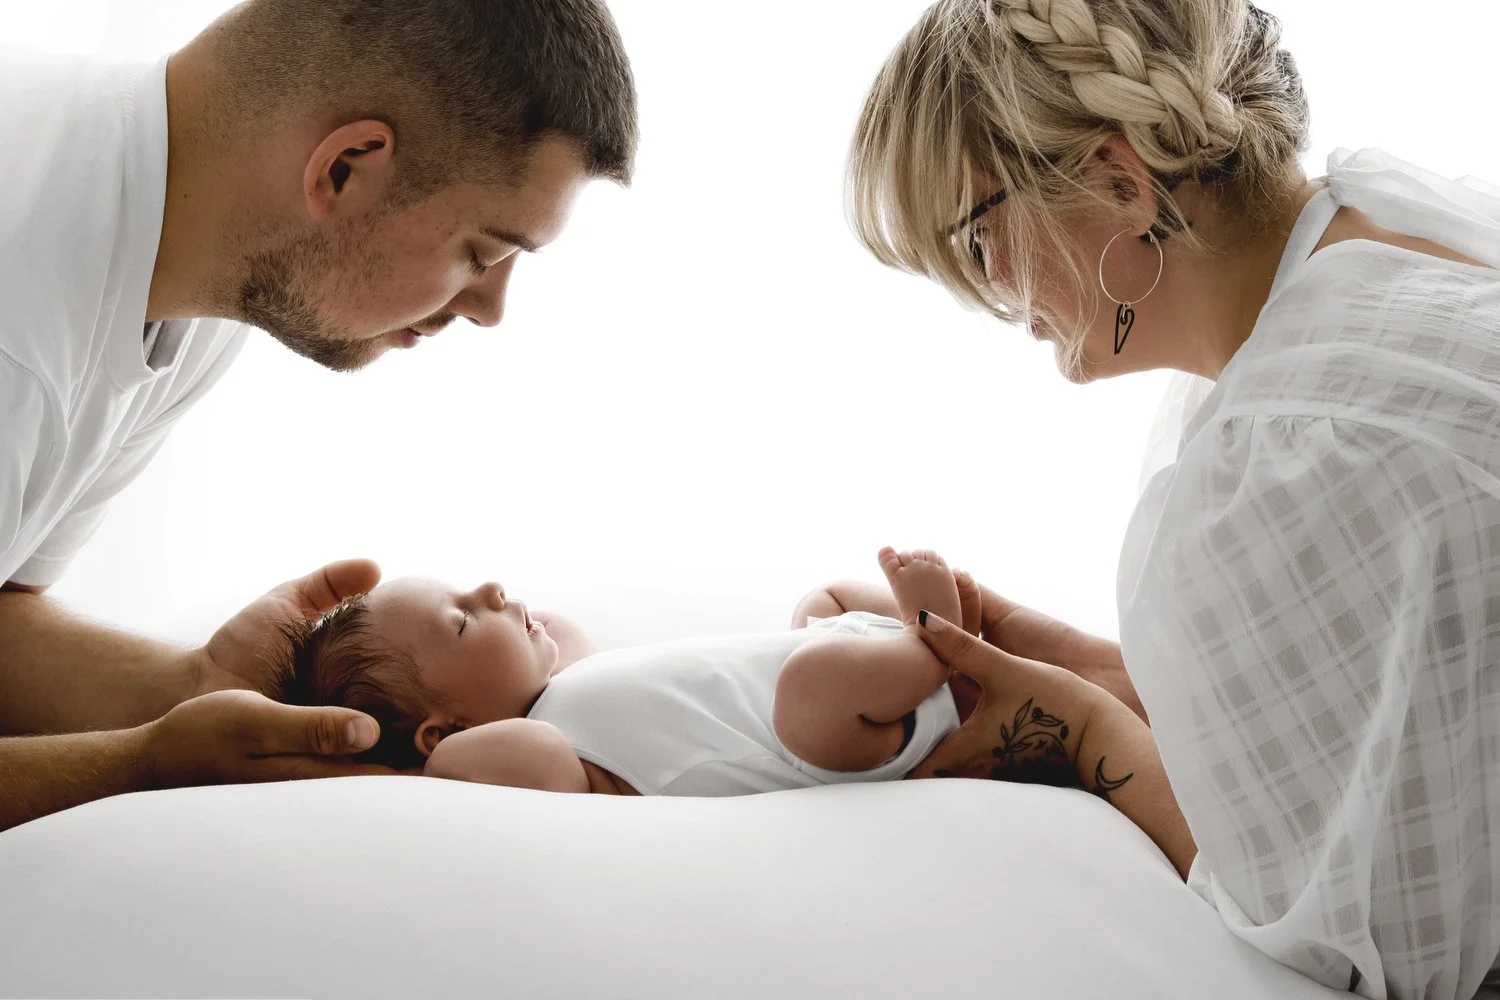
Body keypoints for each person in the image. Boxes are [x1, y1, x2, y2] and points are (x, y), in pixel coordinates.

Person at [846, 1, 1500, 997]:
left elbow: (1358, 942)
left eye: (977, 242)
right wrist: (1106, 668)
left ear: (1118, 180)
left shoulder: (1284, 452)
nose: (995, 297)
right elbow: (1413, 690)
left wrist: (1087, 733)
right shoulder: (1393, 236)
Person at [0, 0, 638, 832]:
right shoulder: (23, 307)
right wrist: (142, 764)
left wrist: (195, 688)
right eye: (482, 252)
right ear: (346, 167)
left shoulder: (188, 288)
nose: (490, 307)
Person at [271, 546, 1192, 865]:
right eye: (465, 620)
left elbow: (568, 638)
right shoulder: (534, 750)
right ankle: (934, 641)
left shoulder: (563, 686)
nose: (493, 588)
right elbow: (505, 770)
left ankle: (952, 645)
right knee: (813, 689)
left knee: (823, 604)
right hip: (824, 733)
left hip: (820, 663)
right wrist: (422, 757)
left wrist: (500, 628)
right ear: (445, 734)